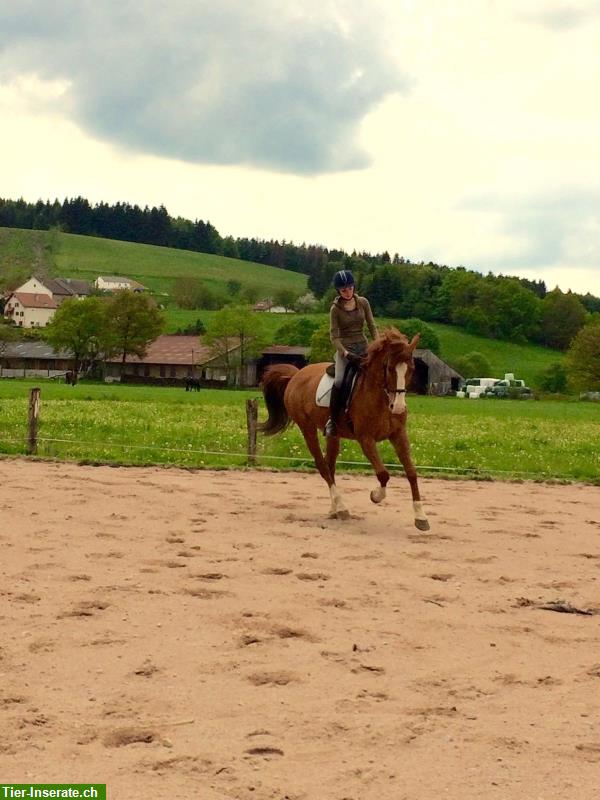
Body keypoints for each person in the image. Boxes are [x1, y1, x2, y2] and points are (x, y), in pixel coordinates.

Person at [325, 269, 378, 437]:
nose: (347, 292)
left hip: (364, 347)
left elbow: (371, 325)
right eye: (343, 290)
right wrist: (346, 354)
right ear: (338, 291)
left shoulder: (363, 302)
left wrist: (377, 343)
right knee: (340, 381)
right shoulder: (335, 309)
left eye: (349, 288)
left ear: (354, 287)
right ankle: (333, 421)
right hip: (345, 350)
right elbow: (334, 336)